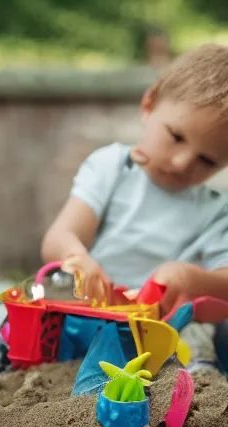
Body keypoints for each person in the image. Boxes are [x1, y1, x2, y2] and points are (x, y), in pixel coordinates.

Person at [42, 43, 228, 370]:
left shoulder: (216, 210)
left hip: (168, 331)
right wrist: (77, 259)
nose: (183, 163)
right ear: (149, 104)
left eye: (207, 160)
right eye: (177, 136)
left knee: (195, 361)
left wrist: (194, 279)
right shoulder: (112, 168)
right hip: (92, 314)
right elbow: (59, 236)